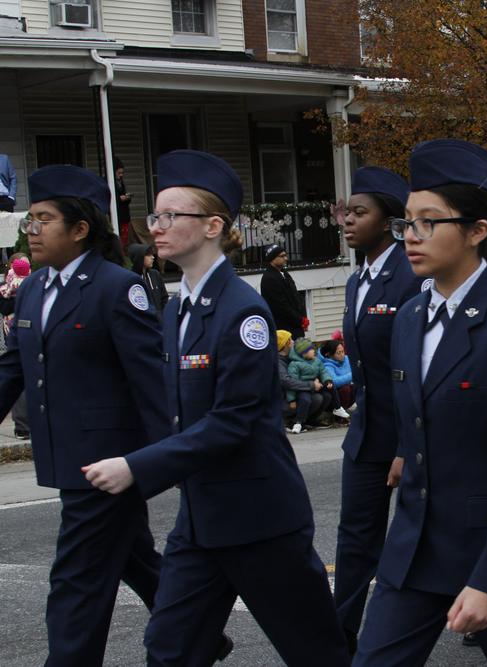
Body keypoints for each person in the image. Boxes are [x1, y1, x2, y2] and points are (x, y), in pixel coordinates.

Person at [80, 149, 350, 666]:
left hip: (260, 519)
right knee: (170, 649)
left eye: (170, 216)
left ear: (212, 226)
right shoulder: (179, 306)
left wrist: (136, 467)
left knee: (316, 651)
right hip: (202, 521)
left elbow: (235, 421)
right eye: (155, 215)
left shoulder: (243, 310)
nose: (156, 227)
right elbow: (174, 410)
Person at [353, 138, 487, 666]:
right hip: (416, 547)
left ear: (477, 232)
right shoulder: (408, 318)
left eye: (429, 222)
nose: (411, 236)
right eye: (406, 222)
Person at [0, 165, 184, 665]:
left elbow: (152, 384)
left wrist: (167, 459)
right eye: (29, 220)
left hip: (110, 464)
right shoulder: (34, 289)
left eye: (43, 220)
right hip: (68, 458)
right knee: (134, 559)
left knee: (75, 581)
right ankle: (197, 634)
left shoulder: (117, 288)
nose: (31, 231)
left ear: (80, 229)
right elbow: (11, 368)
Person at [336, 165, 423, 653]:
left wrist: (407, 446)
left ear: (388, 219)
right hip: (367, 434)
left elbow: (415, 366)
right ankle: (341, 633)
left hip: (411, 436)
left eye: (359, 212)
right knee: (355, 539)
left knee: (433, 534)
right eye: (345, 211)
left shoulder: (410, 276)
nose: (347, 220)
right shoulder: (356, 283)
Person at [286, 337, 350, 433]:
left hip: (317, 385)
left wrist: (327, 380)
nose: (314, 351)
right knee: (305, 400)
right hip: (304, 389)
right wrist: (292, 399)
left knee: (331, 385)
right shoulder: (295, 364)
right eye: (311, 350)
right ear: (304, 353)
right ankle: (299, 422)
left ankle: (338, 408)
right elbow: (292, 383)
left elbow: (323, 372)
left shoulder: (316, 361)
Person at [0, 254, 31, 439]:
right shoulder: (7, 286)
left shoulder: (36, 283)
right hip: (14, 332)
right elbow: (4, 307)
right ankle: (22, 426)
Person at [277, 328, 327, 430]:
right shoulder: (278, 363)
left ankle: (309, 420)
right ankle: (292, 421)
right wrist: (311, 385)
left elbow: (309, 369)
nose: (293, 342)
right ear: (285, 344)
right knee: (317, 399)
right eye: (290, 340)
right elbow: (287, 382)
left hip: (297, 393)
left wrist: (318, 379)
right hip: (283, 401)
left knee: (326, 395)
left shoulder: (291, 356)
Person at [260, 243, 307, 338]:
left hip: (295, 325)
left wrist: (303, 316)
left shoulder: (284, 273)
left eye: (285, 255)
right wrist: (299, 319)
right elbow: (280, 306)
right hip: (285, 329)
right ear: (272, 258)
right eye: (282, 256)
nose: (286, 258)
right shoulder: (269, 278)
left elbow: (295, 296)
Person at [127, 243, 169, 314]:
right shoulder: (131, 278)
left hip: (160, 320)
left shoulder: (155, 274)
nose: (153, 257)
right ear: (139, 257)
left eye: (152, 254)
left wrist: (163, 315)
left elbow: (164, 297)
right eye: (148, 255)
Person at [320, 338, 355, 410]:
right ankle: (340, 414)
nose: (342, 354)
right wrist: (353, 374)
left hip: (349, 392)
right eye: (338, 353)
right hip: (336, 397)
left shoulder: (347, 359)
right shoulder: (328, 366)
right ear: (330, 355)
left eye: (343, 351)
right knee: (345, 388)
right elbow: (334, 382)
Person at [114, 158, 132, 248]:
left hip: (124, 214)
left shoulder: (121, 183)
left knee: (125, 238)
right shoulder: (110, 182)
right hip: (117, 214)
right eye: (119, 173)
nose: (121, 175)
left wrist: (127, 197)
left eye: (122, 173)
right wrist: (119, 198)